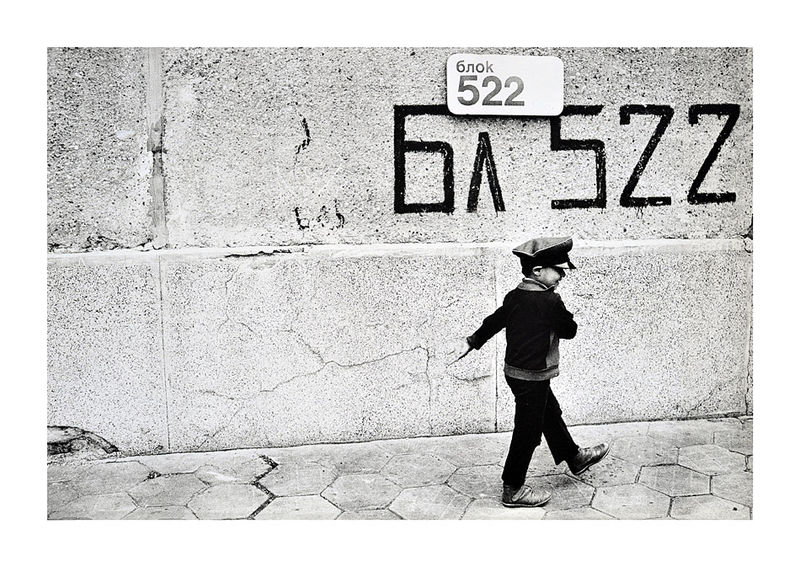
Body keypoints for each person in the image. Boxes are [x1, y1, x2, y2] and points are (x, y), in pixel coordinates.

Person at [452, 236, 609, 507]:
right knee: (528, 431)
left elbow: (495, 321)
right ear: (537, 271)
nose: (562, 275)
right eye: (558, 270)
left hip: (515, 374)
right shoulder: (551, 301)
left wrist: (472, 341)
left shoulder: (514, 296)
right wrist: (565, 315)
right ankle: (512, 489)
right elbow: (569, 331)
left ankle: (574, 457)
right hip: (534, 376)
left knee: (549, 413)